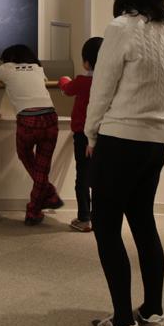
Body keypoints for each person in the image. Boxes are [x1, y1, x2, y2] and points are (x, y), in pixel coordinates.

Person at [85, 0, 164, 326]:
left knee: (107, 228)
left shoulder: (122, 28)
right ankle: (153, 314)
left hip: (119, 139)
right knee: (143, 223)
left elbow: (102, 89)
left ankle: (123, 323)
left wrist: (91, 135)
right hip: (155, 140)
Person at [0, 44, 62, 225]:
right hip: (50, 117)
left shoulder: (5, 69)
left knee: (25, 155)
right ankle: (34, 211)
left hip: (28, 120)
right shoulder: (38, 68)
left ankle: (50, 195)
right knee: (42, 167)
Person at [58, 37, 103, 232]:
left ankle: (84, 218)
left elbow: (67, 89)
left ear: (86, 62)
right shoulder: (109, 82)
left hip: (82, 135)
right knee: (101, 177)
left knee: (83, 176)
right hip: (105, 134)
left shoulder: (82, 81)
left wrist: (63, 79)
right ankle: (101, 217)